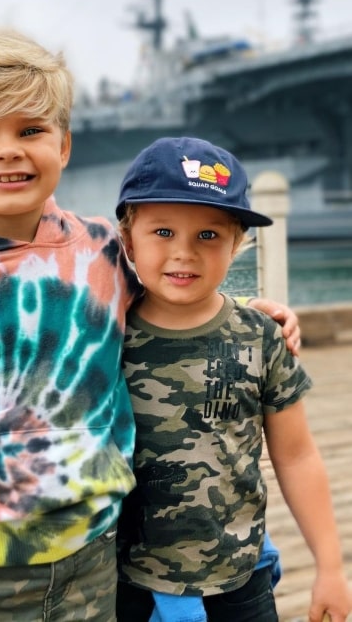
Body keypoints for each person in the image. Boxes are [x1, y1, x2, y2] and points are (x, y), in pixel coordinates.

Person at [0, 28, 301, 622]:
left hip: (99, 559)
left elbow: (172, 288)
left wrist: (248, 310)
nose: (8, 150)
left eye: (31, 130)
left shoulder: (98, 247)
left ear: (64, 146)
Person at [114, 136, 352, 622]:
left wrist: (329, 567)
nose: (184, 253)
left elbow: (298, 453)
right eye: (162, 232)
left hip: (239, 582)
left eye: (209, 235)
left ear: (238, 244)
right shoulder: (106, 334)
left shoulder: (261, 337)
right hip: (128, 583)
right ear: (126, 239)